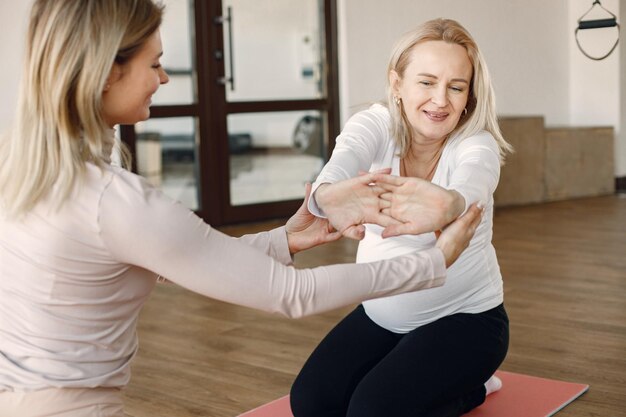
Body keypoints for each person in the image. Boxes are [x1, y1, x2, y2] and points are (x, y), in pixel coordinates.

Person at [0, 2, 483, 416]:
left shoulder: (21, 168)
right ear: (107, 72)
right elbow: (294, 294)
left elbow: (186, 259)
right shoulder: (115, 201)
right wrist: (432, 262)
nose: (164, 77)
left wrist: (288, 239)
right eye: (155, 63)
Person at [290, 18, 513, 417]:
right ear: (397, 84)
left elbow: (474, 183)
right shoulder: (375, 125)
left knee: (371, 411)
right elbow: (341, 163)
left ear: (469, 97)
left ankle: (472, 389)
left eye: (456, 87)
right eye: (426, 82)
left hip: (469, 321)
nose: (440, 100)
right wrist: (327, 196)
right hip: (382, 316)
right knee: (311, 404)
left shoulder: (475, 144)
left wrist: (449, 204)